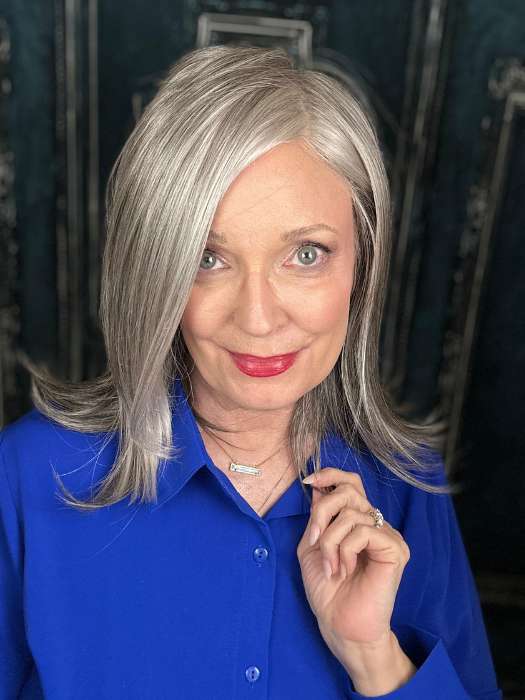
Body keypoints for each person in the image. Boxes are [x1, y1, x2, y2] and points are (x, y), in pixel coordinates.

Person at [0, 44, 502, 699]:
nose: (260, 319)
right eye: (208, 259)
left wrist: (374, 658)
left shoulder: (408, 485)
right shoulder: (31, 474)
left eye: (306, 254)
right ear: (154, 272)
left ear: (362, 264)